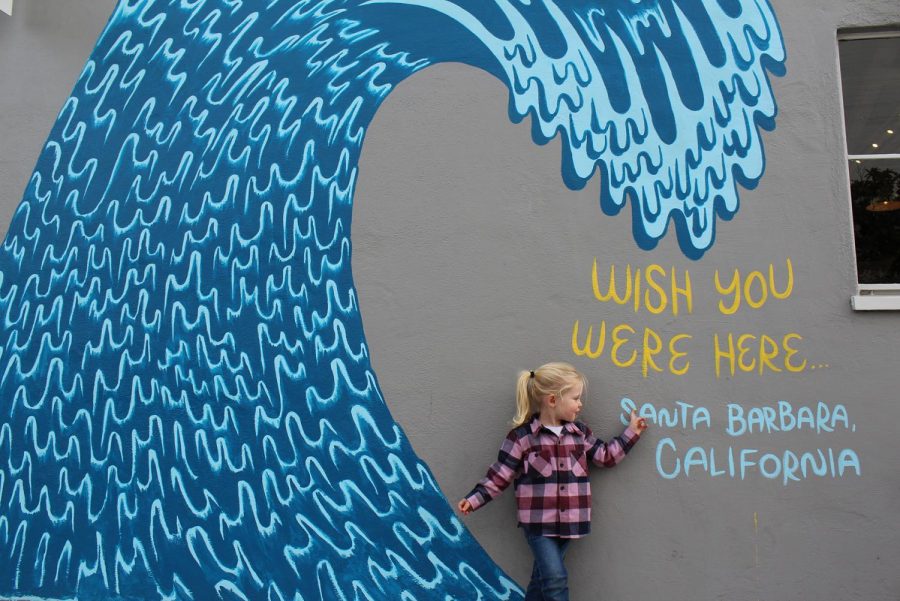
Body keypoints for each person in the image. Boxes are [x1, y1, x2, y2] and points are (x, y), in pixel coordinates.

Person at [457, 362, 647, 601]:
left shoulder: (580, 434)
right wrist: (474, 499)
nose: (580, 404)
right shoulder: (523, 438)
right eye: (575, 398)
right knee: (555, 579)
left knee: (542, 581)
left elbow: (605, 456)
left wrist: (632, 432)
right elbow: (500, 474)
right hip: (538, 525)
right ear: (552, 400)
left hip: (571, 523)